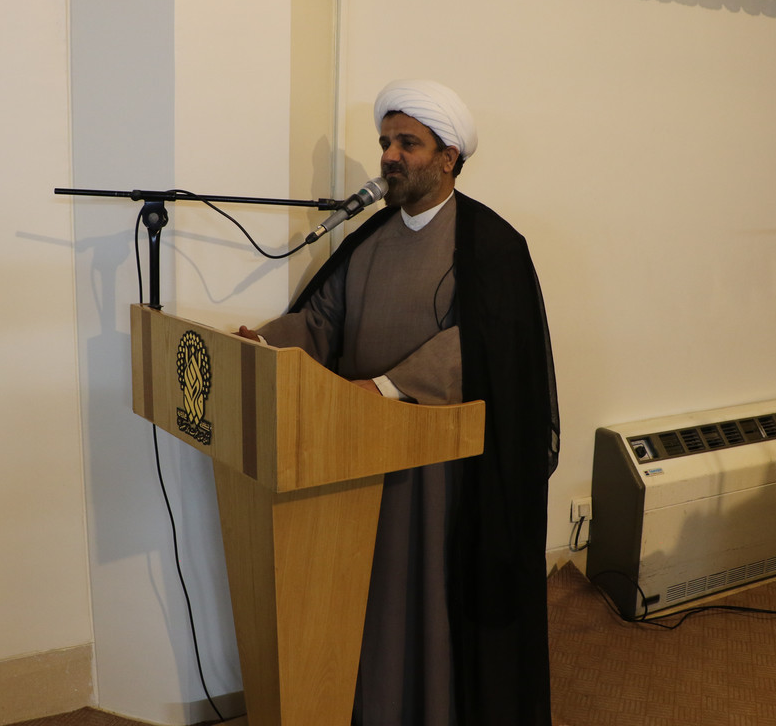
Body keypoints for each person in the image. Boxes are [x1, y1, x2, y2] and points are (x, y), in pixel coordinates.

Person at [238, 79, 559, 725]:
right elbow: (323, 321)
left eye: (407, 143)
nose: (389, 155)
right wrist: (261, 344)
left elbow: (486, 347)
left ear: (448, 157)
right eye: (386, 141)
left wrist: (386, 386)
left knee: (425, 593)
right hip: (358, 451)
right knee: (372, 590)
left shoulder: (492, 244)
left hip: (440, 469)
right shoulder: (371, 238)